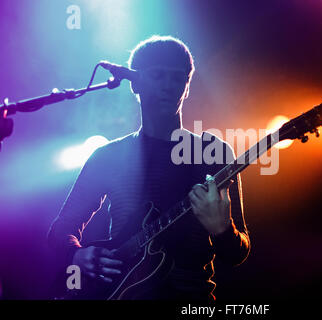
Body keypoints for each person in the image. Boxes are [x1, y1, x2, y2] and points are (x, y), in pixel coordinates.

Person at [47, 35, 250, 300]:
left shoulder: (214, 152)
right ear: (135, 84)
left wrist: (224, 230)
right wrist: (76, 254)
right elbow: (62, 228)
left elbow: (238, 253)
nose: (168, 85)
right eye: (157, 75)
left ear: (187, 88)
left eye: (178, 78)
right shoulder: (109, 156)